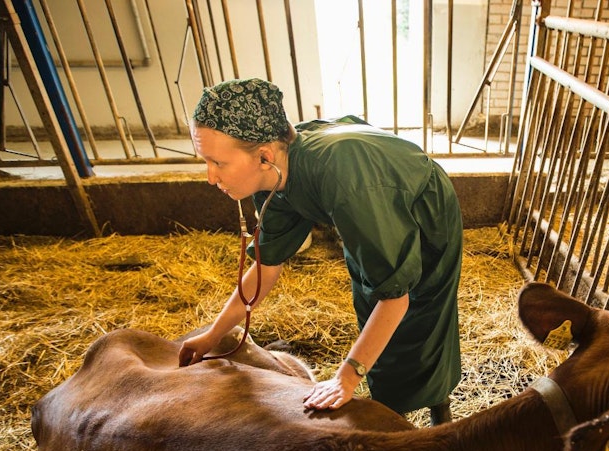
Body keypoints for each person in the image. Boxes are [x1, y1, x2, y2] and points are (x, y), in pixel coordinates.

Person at [179, 78, 462, 424]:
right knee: (371, 298)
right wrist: (212, 335)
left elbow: (396, 300)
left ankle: (439, 409)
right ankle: (392, 409)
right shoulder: (272, 179)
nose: (209, 176)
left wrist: (345, 378)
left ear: (264, 156)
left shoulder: (341, 181)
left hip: (420, 206)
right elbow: (266, 269)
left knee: (423, 312)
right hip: (368, 201)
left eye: (217, 163)